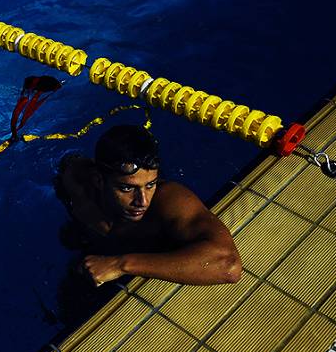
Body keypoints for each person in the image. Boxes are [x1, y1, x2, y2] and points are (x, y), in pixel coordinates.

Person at [54, 125, 242, 292]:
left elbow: (228, 266)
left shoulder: (168, 200)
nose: (142, 201)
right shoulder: (77, 185)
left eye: (150, 185)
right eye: (127, 188)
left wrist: (121, 264)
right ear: (98, 180)